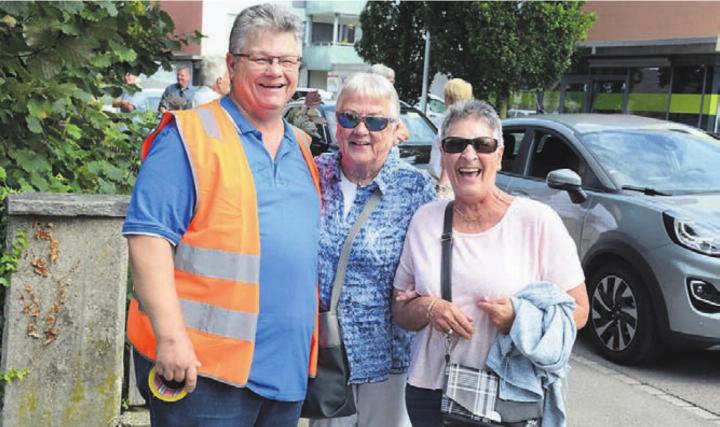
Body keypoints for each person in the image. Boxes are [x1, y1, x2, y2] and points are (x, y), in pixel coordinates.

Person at [124, 3, 321, 426]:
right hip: (204, 371)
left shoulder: (300, 147)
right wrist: (171, 337)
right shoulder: (189, 136)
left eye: (287, 60)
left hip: (282, 372)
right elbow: (148, 239)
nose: (276, 71)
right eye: (262, 59)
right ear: (232, 64)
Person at [391, 100, 589, 427]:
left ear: (499, 154)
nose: (469, 155)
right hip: (431, 392)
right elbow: (400, 311)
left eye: (482, 144)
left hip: (507, 395)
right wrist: (428, 308)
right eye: (456, 145)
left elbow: (579, 311)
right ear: (444, 154)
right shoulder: (425, 220)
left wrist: (519, 318)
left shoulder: (536, 222)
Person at [311, 73, 436, 427]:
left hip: (388, 363)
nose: (360, 130)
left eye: (375, 121)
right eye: (348, 118)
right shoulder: (313, 175)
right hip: (324, 355)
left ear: (396, 129)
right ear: (336, 124)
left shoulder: (415, 190)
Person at [427, 78, 473, 198]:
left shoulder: (451, 123)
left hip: (446, 185)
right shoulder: (466, 121)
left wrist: (441, 188)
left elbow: (448, 156)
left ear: (449, 97)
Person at [369, 63, 410, 145]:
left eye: (392, 82)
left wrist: (389, 142)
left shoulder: (390, 104)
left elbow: (404, 132)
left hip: (386, 154)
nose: (392, 86)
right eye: (390, 81)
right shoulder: (361, 103)